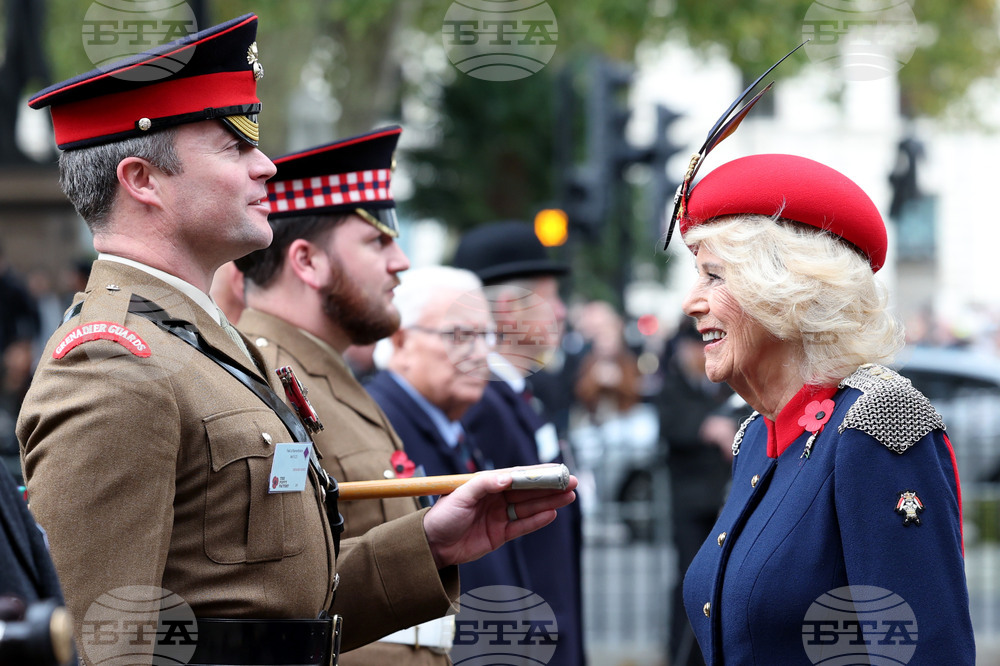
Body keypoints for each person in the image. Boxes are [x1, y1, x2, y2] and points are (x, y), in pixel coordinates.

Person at [17, 16, 576, 666]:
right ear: (143, 180)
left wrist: (429, 544)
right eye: (233, 146)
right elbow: (99, 644)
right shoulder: (112, 360)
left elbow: (283, 614)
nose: (266, 165)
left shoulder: (203, 347)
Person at [674, 153, 974, 664]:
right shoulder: (756, 439)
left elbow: (925, 651)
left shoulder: (875, 425)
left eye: (714, 276)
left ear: (785, 289)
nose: (691, 302)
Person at [235, 127, 453, 664]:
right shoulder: (262, 378)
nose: (400, 262)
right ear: (307, 262)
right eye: (378, 241)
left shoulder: (319, 370)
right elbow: (276, 583)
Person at [451, 221, 586, 666]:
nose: (561, 313)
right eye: (551, 299)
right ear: (509, 311)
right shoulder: (482, 403)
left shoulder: (512, 394)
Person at [366, 265, 533, 611]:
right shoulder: (376, 425)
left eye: (486, 336)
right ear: (401, 341)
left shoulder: (456, 423)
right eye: (459, 335)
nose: (480, 353)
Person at [656, 318, 739, 666]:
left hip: (723, 499)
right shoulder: (672, 385)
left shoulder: (722, 385)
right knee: (690, 580)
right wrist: (708, 427)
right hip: (690, 501)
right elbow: (672, 426)